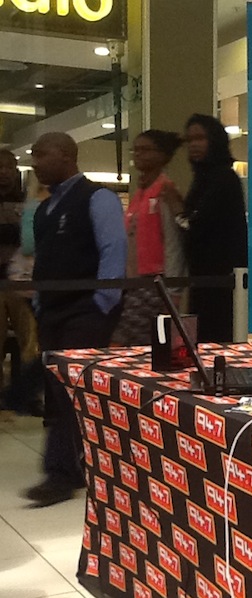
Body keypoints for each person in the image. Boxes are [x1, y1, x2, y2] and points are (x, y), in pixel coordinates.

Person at [24, 132, 126, 507]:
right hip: (53, 310)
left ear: (67, 155)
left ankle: (60, 474)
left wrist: (103, 301)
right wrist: (39, 303)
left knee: (69, 391)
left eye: (42, 154)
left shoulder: (98, 198)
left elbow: (113, 249)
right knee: (58, 392)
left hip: (86, 310)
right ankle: (77, 467)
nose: (35, 162)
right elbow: (43, 261)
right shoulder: (45, 209)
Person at [172, 114, 247, 343]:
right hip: (202, 279)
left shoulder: (224, 179)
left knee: (215, 340)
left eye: (200, 138)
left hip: (221, 282)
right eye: (190, 139)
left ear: (214, 140)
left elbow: (198, 226)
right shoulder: (202, 180)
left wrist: (177, 210)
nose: (194, 145)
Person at [112, 129, 186, 346]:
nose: (138, 154)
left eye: (145, 150)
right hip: (133, 283)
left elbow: (173, 243)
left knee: (127, 345)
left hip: (155, 284)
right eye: (135, 150)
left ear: (162, 155)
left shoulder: (165, 191)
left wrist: (172, 291)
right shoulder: (140, 193)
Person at [0, 150, 41, 415]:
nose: (4, 172)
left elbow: (33, 236)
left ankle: (28, 395)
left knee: (30, 341)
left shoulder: (28, 199)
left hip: (22, 282)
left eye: (9, 167)